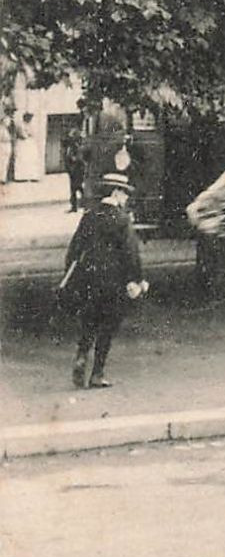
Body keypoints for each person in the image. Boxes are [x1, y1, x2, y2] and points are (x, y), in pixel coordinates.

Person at [59, 172, 147, 388]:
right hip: (113, 282)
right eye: (124, 194)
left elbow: (74, 249)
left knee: (89, 322)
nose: (126, 198)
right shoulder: (121, 219)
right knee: (107, 326)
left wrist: (73, 274)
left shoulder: (89, 215)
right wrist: (137, 279)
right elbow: (130, 254)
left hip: (88, 278)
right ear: (116, 193)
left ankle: (81, 356)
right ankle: (97, 373)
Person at [63, 130, 85, 213]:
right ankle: (75, 206)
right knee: (75, 188)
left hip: (77, 170)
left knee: (77, 187)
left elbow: (79, 159)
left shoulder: (77, 147)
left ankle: (79, 205)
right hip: (72, 170)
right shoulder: (71, 147)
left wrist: (73, 159)